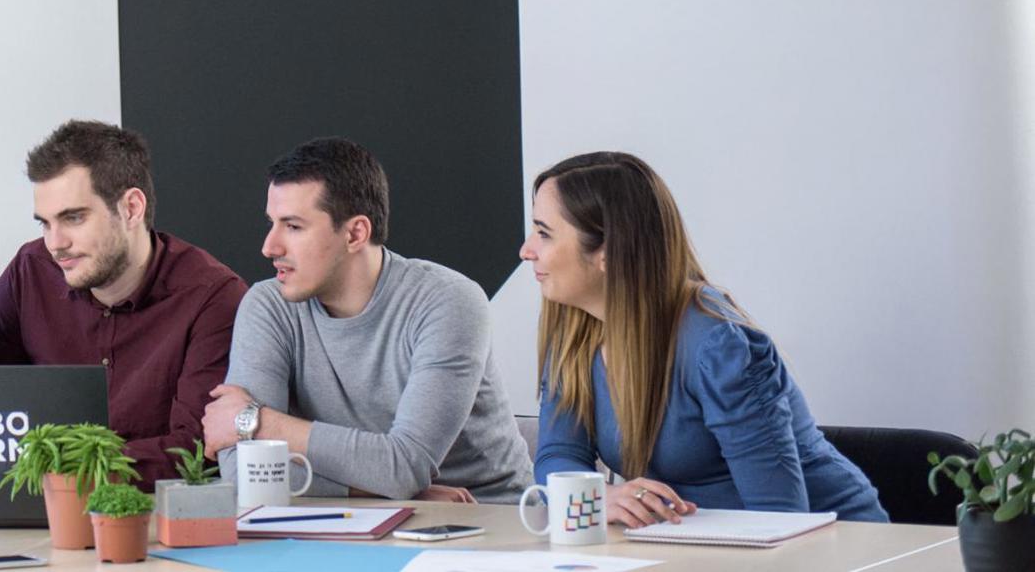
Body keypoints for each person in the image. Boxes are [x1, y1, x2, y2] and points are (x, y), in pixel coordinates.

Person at [522, 151, 886, 524]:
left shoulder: (718, 345)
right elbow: (557, 455)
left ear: (609, 251)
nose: (526, 250)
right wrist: (597, 497)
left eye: (544, 233)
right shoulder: (576, 330)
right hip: (699, 546)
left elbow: (780, 518)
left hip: (836, 545)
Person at [202, 137, 532, 502]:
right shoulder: (268, 306)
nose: (270, 246)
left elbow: (406, 466)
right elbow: (244, 472)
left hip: (488, 517)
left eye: (293, 227)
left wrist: (258, 423)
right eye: (272, 223)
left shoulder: (447, 300)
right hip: (360, 514)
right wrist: (384, 489)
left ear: (356, 233)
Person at [0, 121, 247, 487]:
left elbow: (196, 450)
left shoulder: (212, 297)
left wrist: (68, 469)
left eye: (73, 218)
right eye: (45, 223)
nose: (55, 243)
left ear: (131, 208)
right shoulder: (29, 272)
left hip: (155, 519)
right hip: (39, 508)